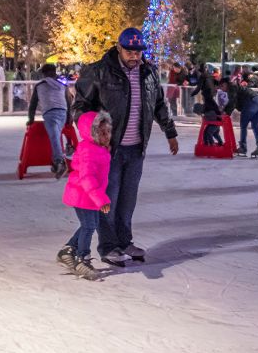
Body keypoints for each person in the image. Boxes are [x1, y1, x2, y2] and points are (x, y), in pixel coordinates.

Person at [72, 27, 179, 267]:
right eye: (129, 51)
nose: (134, 56)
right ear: (119, 48)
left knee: (127, 201)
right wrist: (94, 134)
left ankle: (124, 240)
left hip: (136, 149)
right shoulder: (98, 72)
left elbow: (159, 105)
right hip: (109, 151)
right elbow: (80, 107)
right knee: (108, 199)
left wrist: (169, 131)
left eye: (138, 52)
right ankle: (108, 246)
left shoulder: (148, 73)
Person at [56, 111, 113, 281]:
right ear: (92, 133)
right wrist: (100, 199)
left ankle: (67, 250)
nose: (107, 136)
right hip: (82, 195)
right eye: (102, 132)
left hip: (89, 196)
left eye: (108, 131)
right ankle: (82, 259)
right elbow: (87, 177)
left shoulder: (98, 148)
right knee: (89, 226)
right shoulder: (89, 150)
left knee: (90, 224)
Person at [27, 63, 73, 178]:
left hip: (50, 113)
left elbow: (33, 104)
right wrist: (69, 116)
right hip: (63, 112)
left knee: (54, 137)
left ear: (43, 74)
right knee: (56, 135)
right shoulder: (62, 84)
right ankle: (59, 157)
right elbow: (68, 100)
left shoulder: (39, 86)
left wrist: (31, 119)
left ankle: (59, 162)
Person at [235, 71, 258, 158]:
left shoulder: (233, 91)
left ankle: (243, 147)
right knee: (255, 126)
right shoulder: (241, 86)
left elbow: (233, 104)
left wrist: (226, 112)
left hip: (251, 101)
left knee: (243, 126)